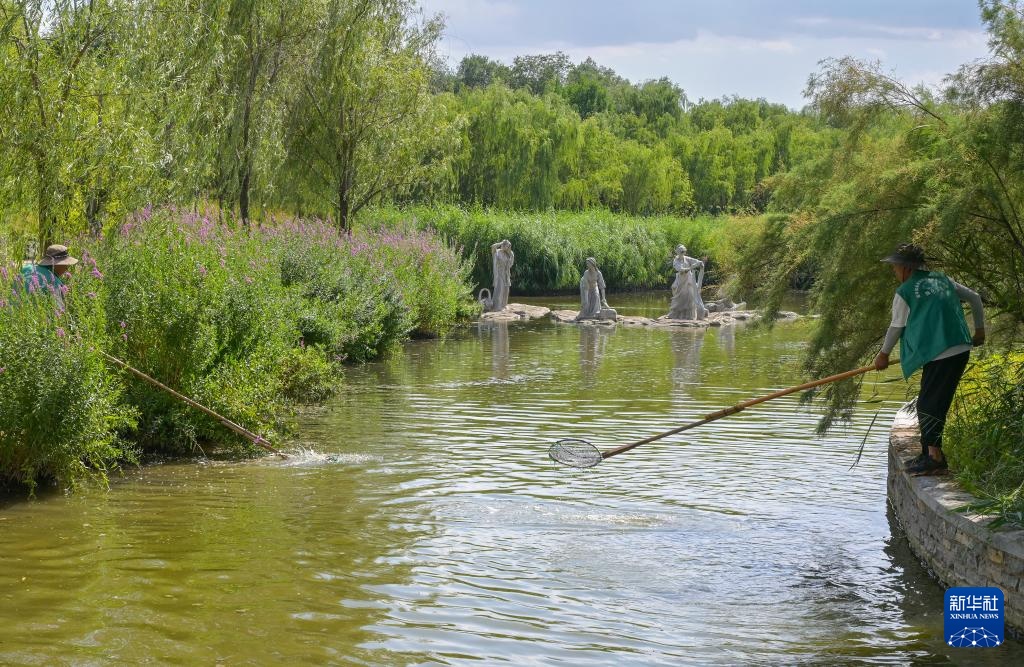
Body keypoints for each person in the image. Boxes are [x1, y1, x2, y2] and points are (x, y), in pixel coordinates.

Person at [873, 243, 985, 475]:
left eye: (895, 267)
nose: (894, 272)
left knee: (929, 404)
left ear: (906, 268)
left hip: (941, 352)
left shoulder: (904, 292)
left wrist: (883, 355)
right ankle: (928, 454)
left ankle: (935, 458)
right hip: (959, 347)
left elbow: (896, 327)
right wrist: (980, 331)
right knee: (931, 401)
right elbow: (975, 298)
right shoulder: (942, 279)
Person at [667, 244, 707, 320]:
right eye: (681, 252)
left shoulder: (686, 258)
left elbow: (694, 261)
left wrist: (699, 263)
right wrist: (690, 268)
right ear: (678, 252)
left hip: (688, 279)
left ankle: (689, 316)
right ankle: (675, 314)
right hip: (681, 280)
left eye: (684, 251)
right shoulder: (676, 260)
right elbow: (679, 269)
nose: (683, 253)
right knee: (678, 295)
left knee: (689, 295)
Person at [489, 239, 514, 312]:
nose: (505, 247)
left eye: (507, 246)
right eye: (505, 245)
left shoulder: (508, 254)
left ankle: (504, 305)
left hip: (506, 274)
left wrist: (510, 253)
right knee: (499, 289)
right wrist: (501, 243)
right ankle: (497, 306)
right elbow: (493, 246)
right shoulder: (496, 252)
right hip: (499, 273)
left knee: (506, 290)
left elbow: (511, 264)